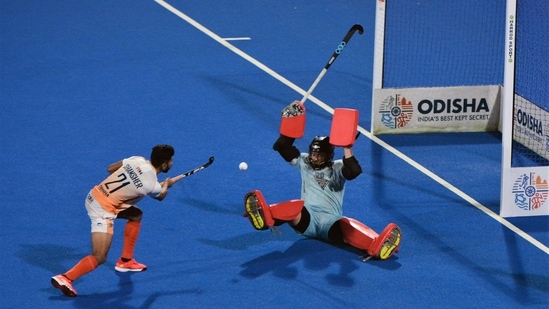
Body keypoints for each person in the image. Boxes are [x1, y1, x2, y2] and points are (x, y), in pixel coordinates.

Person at [244, 133, 401, 261]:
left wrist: (347, 147)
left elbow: (354, 171)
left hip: (330, 222)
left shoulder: (338, 167)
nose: (315, 158)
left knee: (347, 225)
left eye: (320, 155)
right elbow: (281, 146)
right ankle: (264, 219)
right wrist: (290, 122)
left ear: (329, 155)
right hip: (307, 220)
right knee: (295, 207)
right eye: (314, 154)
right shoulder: (304, 162)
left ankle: (378, 245)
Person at [51, 144, 176, 297]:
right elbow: (161, 196)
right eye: (171, 161)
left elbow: (111, 169)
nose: (172, 163)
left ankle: (125, 261)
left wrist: (134, 181)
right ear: (164, 164)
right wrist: (167, 185)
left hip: (94, 194)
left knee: (135, 215)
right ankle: (66, 278)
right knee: (100, 256)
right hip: (102, 210)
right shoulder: (152, 186)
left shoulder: (137, 160)